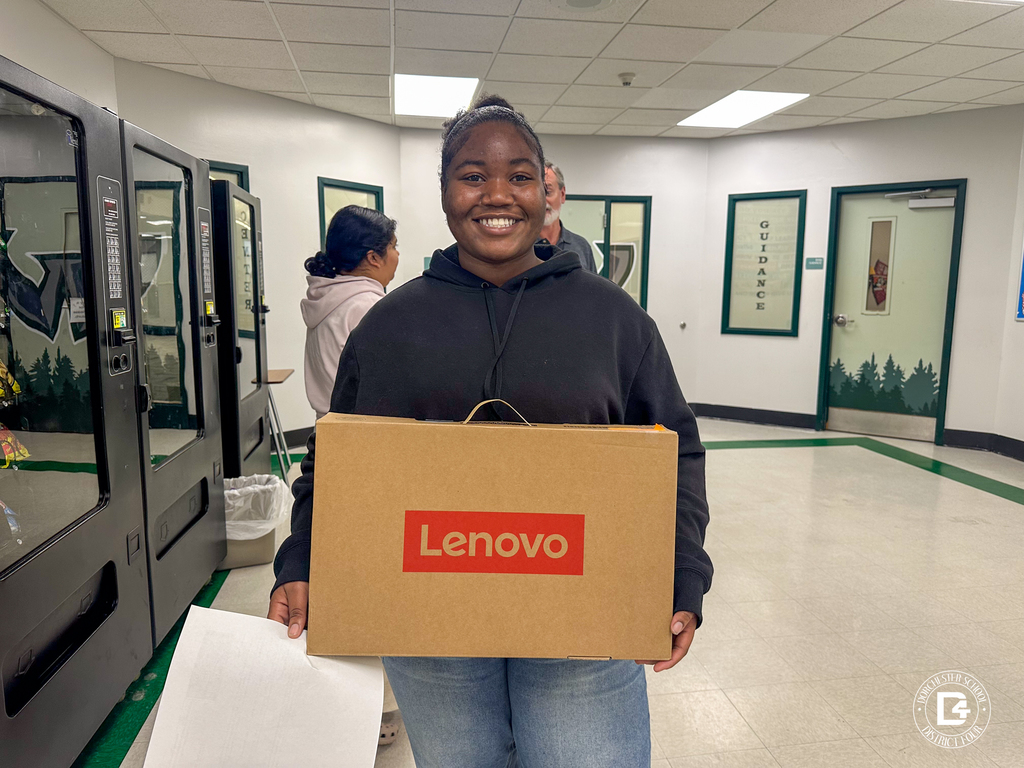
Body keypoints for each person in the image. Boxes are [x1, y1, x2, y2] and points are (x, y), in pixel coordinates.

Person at [269, 94, 712, 767]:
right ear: (445, 191)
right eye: (473, 175)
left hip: (583, 629)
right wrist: (300, 559)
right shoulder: (391, 326)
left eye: (521, 175)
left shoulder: (614, 321)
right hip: (432, 625)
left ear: (546, 191)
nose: (497, 194)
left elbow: (674, 451)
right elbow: (337, 459)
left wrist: (682, 571)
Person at [300, 205, 398, 420]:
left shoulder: (327, 298)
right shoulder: (367, 306)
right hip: (359, 431)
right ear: (373, 258)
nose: (397, 254)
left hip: (327, 426)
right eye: (394, 246)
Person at [536, 160, 598, 273]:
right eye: (537, 194)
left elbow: (594, 290)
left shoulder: (581, 247)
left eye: (548, 192)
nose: (543, 202)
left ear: (563, 194)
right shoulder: (521, 248)